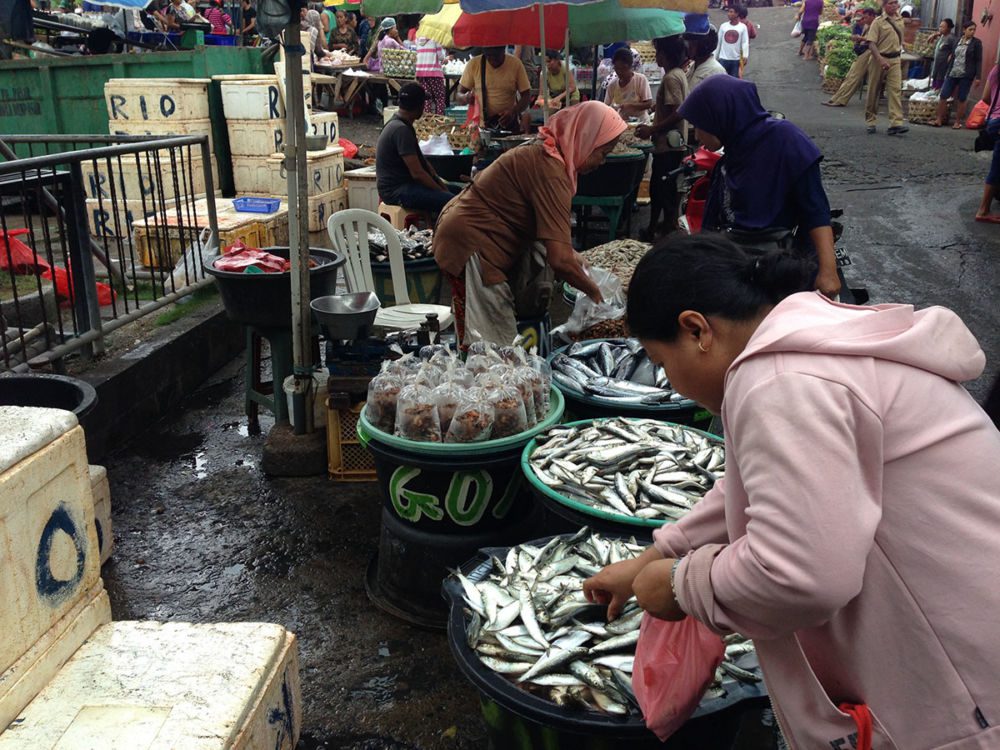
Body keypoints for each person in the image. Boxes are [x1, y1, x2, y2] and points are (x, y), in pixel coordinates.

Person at [583, 231, 1000, 750]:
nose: (671, 385)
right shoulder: (808, 345)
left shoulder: (781, 378)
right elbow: (752, 489)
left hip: (962, 701)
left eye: (663, 365)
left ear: (696, 330)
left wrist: (678, 584)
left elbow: (799, 572)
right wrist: (661, 551)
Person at [434, 101, 625, 346]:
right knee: (493, 348)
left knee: (496, 342)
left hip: (487, 235)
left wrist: (579, 263)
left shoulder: (552, 153)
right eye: (602, 152)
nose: (602, 162)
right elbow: (560, 260)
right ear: (584, 137)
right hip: (472, 243)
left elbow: (558, 245)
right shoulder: (551, 170)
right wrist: (596, 295)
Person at [678, 75, 841, 298]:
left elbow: (816, 210)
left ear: (720, 116)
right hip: (739, 263)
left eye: (699, 125)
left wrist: (828, 273)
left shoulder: (786, 140)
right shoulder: (730, 156)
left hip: (781, 266)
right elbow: (710, 225)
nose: (697, 135)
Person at [636, 35, 689, 241]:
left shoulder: (671, 78)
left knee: (663, 192)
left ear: (665, 55)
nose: (656, 56)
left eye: (658, 52)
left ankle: (665, 234)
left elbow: (678, 111)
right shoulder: (678, 74)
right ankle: (654, 229)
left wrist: (652, 129)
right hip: (671, 144)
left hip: (669, 146)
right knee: (660, 190)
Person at [375, 84, 455, 216]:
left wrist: (441, 184)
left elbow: (424, 165)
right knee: (451, 202)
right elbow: (417, 173)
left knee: (459, 192)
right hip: (396, 190)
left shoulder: (402, 125)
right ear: (419, 105)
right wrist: (443, 193)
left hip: (405, 185)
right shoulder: (401, 130)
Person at [456, 46, 531, 132]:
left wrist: (514, 111)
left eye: (496, 56)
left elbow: (526, 96)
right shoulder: (474, 64)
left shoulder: (515, 64)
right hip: (481, 128)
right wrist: (465, 98)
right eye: (488, 56)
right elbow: (459, 94)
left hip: (509, 126)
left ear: (503, 50)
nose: (492, 60)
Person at [864, 0, 907, 136]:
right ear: (884, 6)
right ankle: (871, 121)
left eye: (895, 3)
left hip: (895, 59)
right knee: (873, 90)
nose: (894, 5)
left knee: (895, 90)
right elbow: (871, 43)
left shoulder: (900, 20)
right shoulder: (878, 22)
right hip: (879, 59)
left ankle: (896, 123)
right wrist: (880, 59)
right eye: (890, 3)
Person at [822, 7, 876, 107]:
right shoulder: (867, 26)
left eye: (866, 17)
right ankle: (835, 98)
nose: (864, 20)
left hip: (869, 52)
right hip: (863, 51)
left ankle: (841, 100)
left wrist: (861, 38)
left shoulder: (876, 25)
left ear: (873, 16)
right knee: (850, 77)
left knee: (854, 78)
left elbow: (873, 40)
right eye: (863, 18)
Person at [935, 21, 982, 128]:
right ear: (964, 30)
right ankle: (938, 119)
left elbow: (979, 60)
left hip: (966, 74)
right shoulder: (957, 41)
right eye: (970, 29)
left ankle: (957, 122)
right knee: (944, 95)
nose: (972, 32)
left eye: (974, 30)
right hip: (953, 72)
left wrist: (978, 77)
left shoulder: (976, 43)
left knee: (962, 98)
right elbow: (953, 55)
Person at [521, 49, 580, 132]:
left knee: (573, 113)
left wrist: (559, 97)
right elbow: (542, 93)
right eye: (546, 62)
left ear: (557, 60)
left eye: (549, 61)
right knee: (549, 114)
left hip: (570, 94)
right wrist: (540, 101)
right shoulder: (544, 73)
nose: (548, 65)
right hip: (554, 95)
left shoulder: (566, 68)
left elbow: (572, 87)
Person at [975, 62, 1000, 223]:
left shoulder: (996, 69)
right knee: (997, 167)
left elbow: (985, 97)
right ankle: (983, 210)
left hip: (993, 122)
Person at [604, 47, 653, 123]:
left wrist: (630, 106)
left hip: (641, 122)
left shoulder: (640, 79)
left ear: (630, 66)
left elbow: (648, 104)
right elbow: (606, 107)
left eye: (623, 68)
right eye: (617, 69)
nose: (619, 72)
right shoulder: (612, 85)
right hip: (621, 123)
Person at [685, 25, 726, 90]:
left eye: (692, 44)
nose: (688, 47)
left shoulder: (716, 71)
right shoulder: (692, 65)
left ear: (703, 46)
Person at [415, 34, 447, 114]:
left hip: (421, 73)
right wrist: (445, 59)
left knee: (427, 98)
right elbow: (441, 57)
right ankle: (439, 121)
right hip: (434, 72)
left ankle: (428, 121)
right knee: (439, 97)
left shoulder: (418, 39)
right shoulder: (436, 39)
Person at [716, 6, 748, 76]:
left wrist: (745, 55)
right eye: (728, 12)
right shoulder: (723, 26)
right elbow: (718, 42)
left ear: (737, 14)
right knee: (722, 79)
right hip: (723, 59)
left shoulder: (742, 27)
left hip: (735, 60)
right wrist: (715, 56)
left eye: (731, 12)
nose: (728, 14)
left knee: (734, 81)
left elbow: (745, 42)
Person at [927, 17, 956, 89]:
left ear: (949, 28)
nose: (940, 28)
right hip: (937, 63)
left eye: (943, 27)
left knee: (940, 80)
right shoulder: (942, 36)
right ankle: (933, 90)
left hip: (943, 64)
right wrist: (934, 35)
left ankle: (938, 91)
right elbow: (929, 40)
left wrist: (951, 55)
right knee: (934, 77)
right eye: (940, 26)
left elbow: (955, 49)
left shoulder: (951, 38)